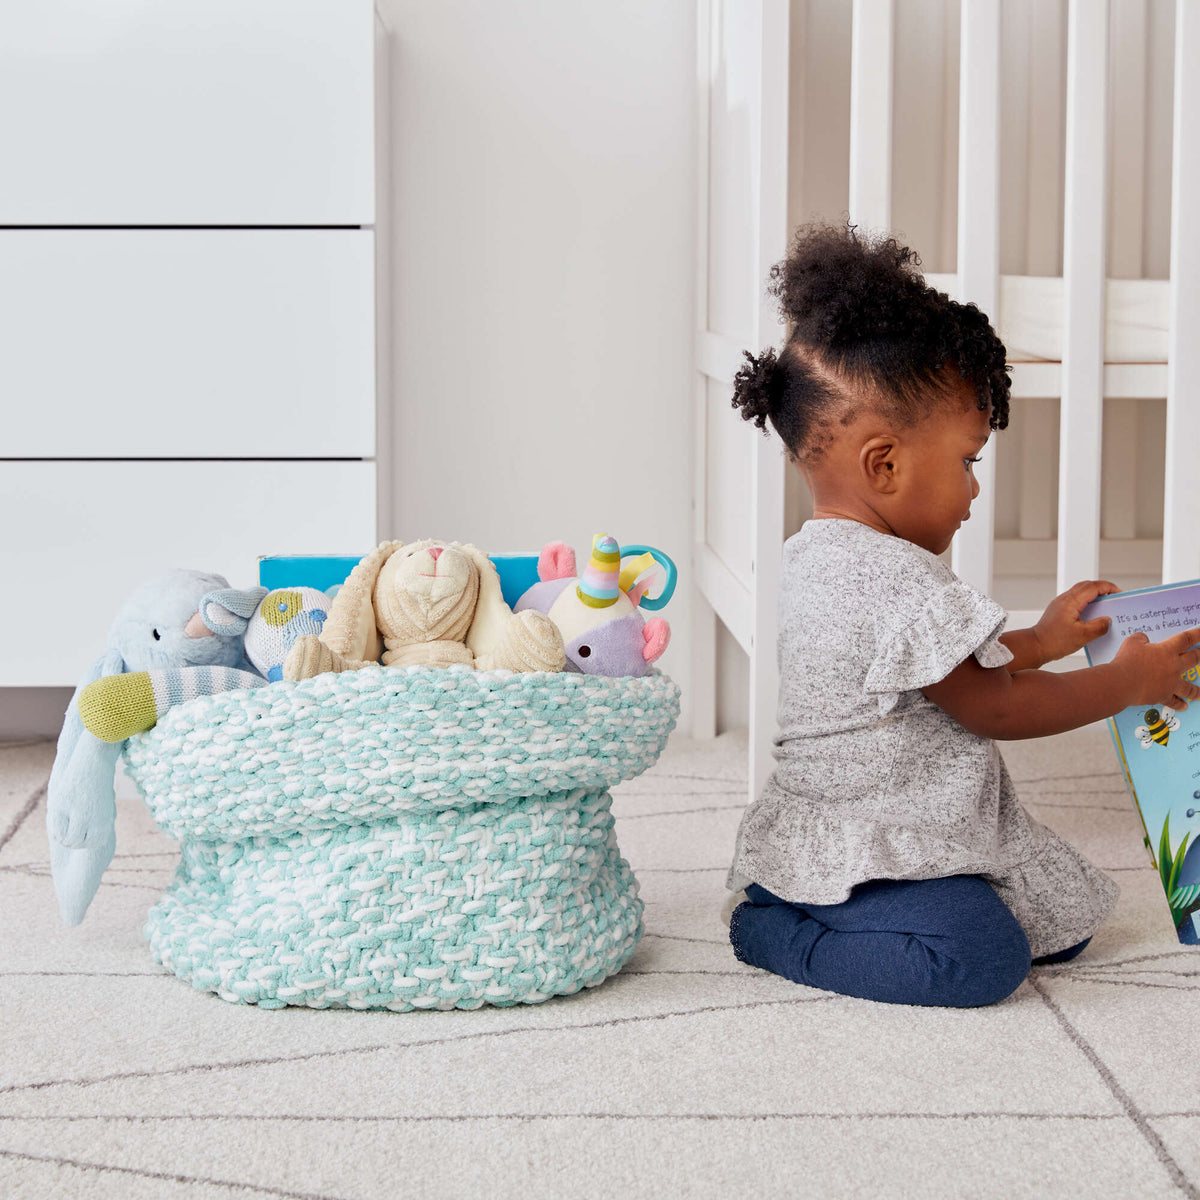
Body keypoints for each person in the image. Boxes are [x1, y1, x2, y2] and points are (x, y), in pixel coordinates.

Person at [725, 222, 1200, 1008]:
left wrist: (1043, 640)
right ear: (885, 462)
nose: (976, 489)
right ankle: (778, 930)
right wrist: (1123, 684)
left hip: (881, 811)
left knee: (1063, 920)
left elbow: (941, 673)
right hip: (875, 830)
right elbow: (995, 706)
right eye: (968, 460)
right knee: (980, 960)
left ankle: (810, 899)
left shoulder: (821, 551)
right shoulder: (899, 581)